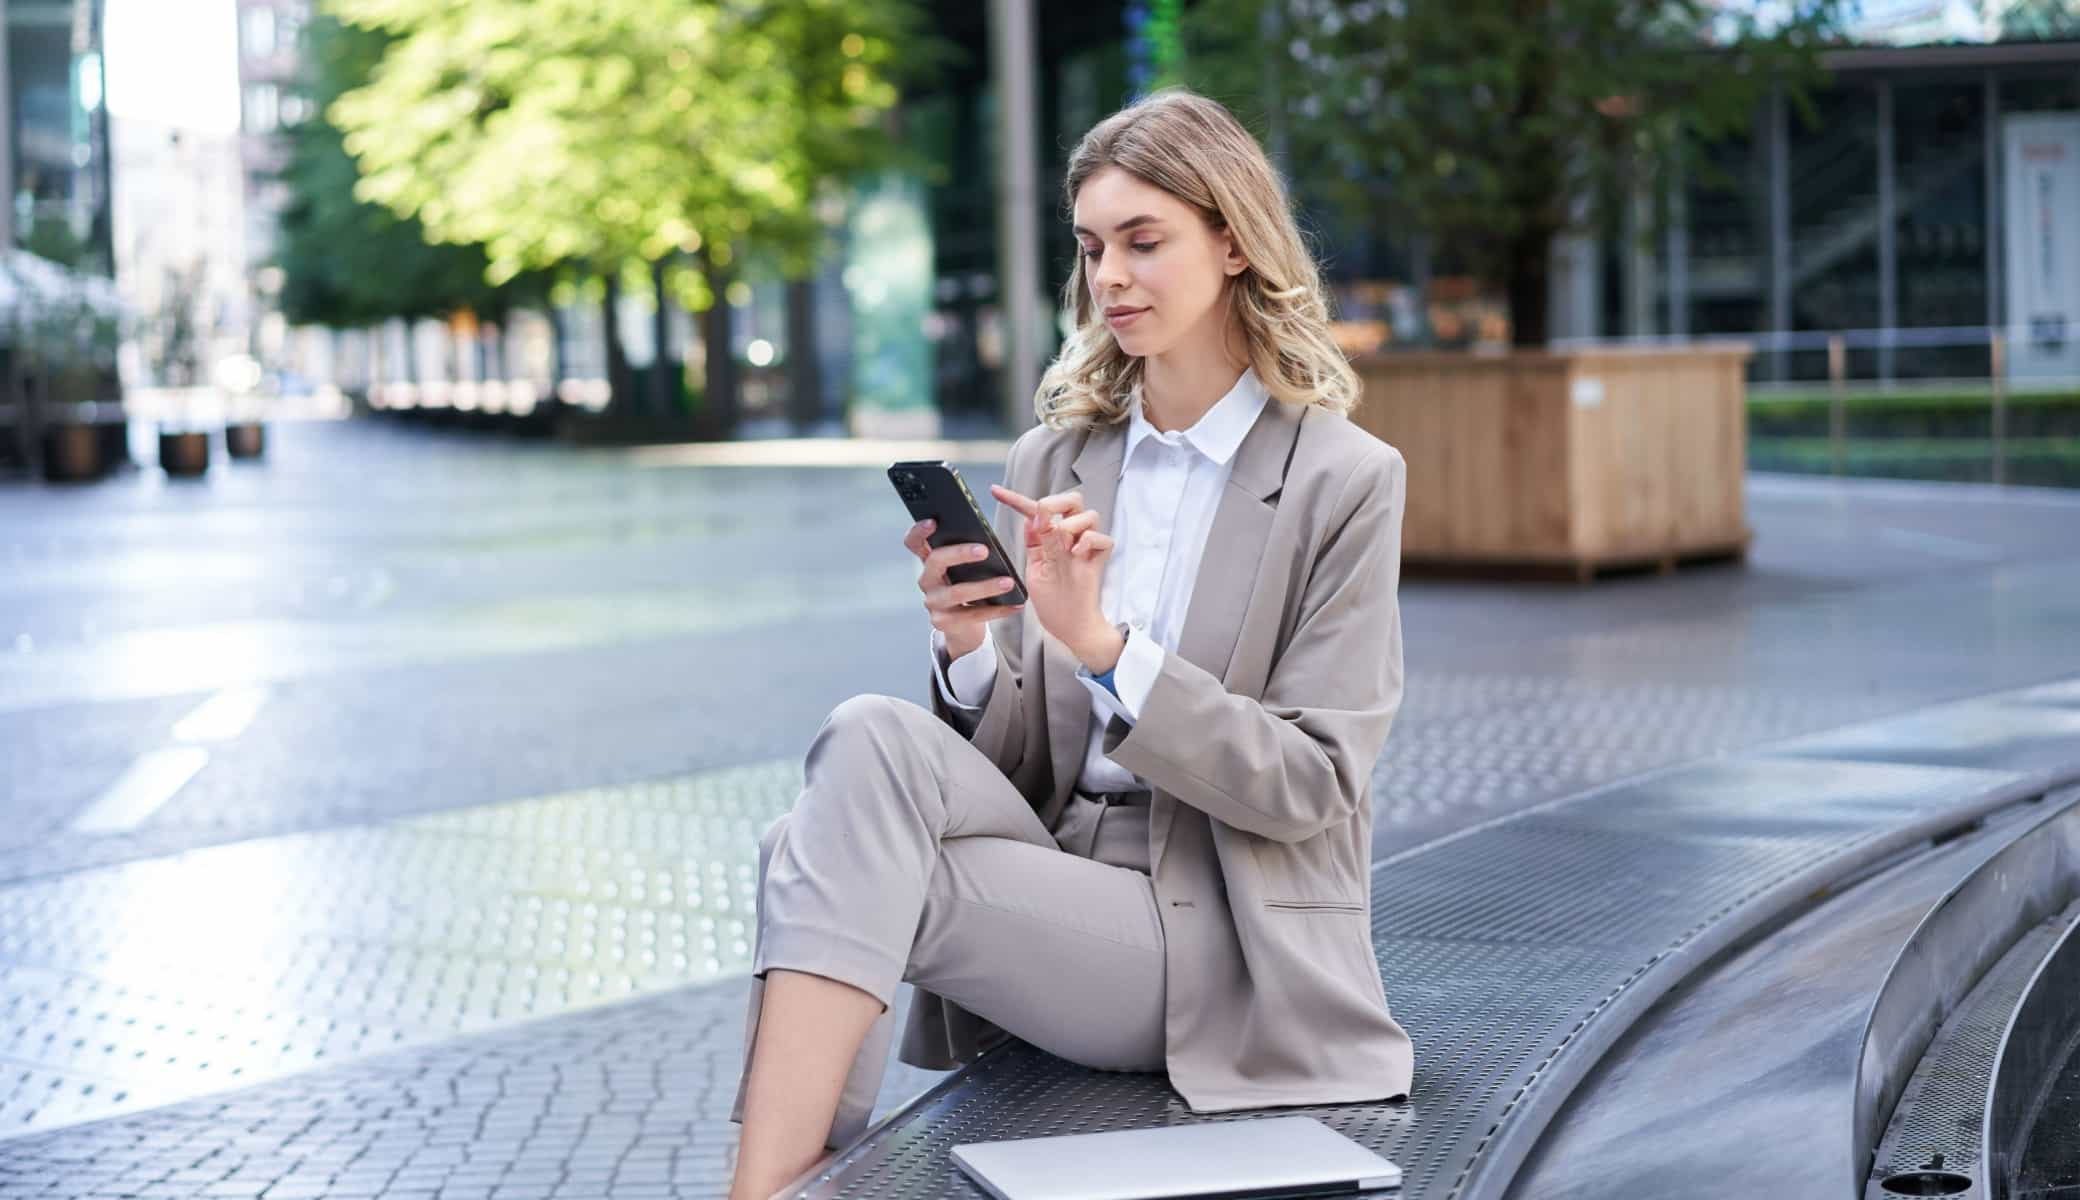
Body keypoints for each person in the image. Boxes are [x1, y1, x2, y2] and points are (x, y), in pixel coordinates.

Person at [727, 87, 1411, 1200]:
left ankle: (765, 1189)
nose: (1111, 278)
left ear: (1234, 242)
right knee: (868, 738)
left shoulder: (1342, 479)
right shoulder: (1054, 459)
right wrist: (971, 649)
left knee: (802, 850)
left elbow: (1311, 786)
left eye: (1146, 242)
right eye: (1092, 247)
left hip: (1209, 935)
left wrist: (1102, 645)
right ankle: (772, 1190)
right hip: (1053, 867)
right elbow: (1015, 767)